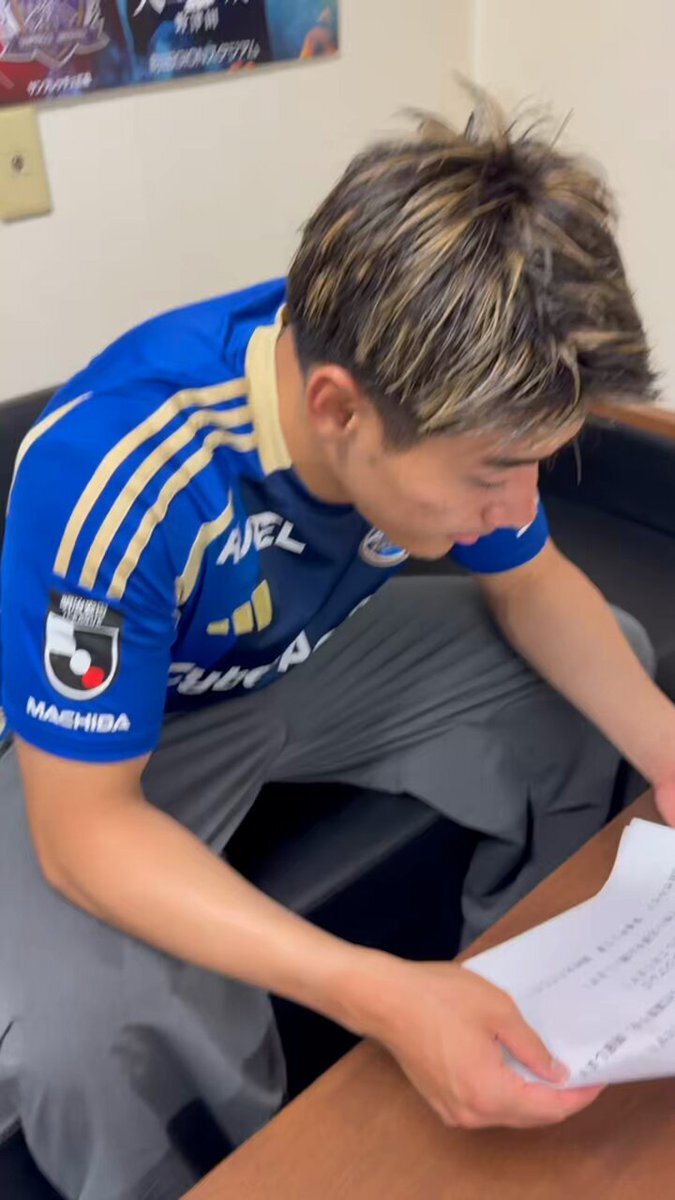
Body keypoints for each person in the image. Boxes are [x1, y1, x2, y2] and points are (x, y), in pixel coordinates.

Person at [1, 95, 674, 1200]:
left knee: (614, 663)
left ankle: (518, 993)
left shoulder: (433, 379)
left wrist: (668, 749)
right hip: (110, 745)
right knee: (84, 1033)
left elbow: (532, 583)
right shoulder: (114, 479)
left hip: (299, 660)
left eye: (539, 463)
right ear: (337, 410)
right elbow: (82, 831)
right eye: (490, 475)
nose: (518, 504)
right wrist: (377, 992)